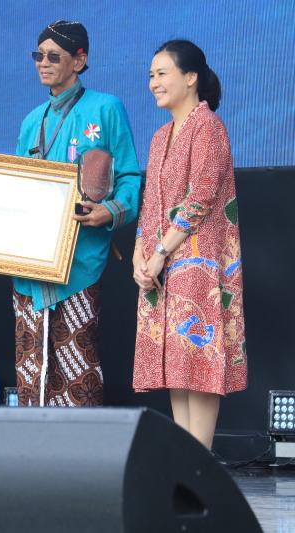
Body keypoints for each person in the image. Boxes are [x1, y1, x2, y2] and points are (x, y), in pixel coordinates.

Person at [0, 20, 142, 407]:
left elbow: (130, 176)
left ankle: (80, 445)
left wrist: (109, 211)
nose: (43, 63)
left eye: (54, 56)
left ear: (79, 60)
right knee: (31, 367)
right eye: (38, 55)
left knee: (76, 366)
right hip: (29, 264)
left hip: (78, 260)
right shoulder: (32, 120)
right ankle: (35, 441)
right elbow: (14, 186)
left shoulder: (105, 108)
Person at [133, 40, 246, 449]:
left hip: (197, 262)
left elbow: (201, 197)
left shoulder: (208, 126)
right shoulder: (161, 136)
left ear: (191, 77)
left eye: (162, 73)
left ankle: (200, 461)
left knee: (197, 362)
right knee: (175, 367)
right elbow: (150, 204)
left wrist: (160, 253)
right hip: (161, 265)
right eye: (151, 75)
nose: (154, 83)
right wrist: (139, 254)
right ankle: (186, 461)